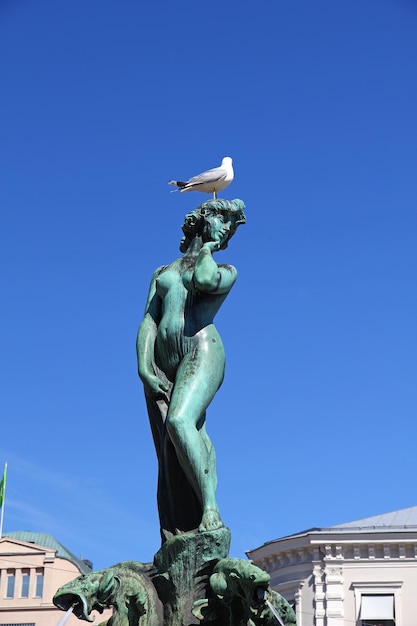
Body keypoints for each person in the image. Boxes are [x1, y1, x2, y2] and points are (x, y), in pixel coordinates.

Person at [136, 199, 246, 541]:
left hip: (202, 350)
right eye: (222, 220)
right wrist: (143, 366)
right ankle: (184, 520)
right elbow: (149, 321)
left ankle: (210, 507)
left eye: (231, 226)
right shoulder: (162, 272)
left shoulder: (225, 270)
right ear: (203, 219)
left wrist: (209, 250)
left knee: (181, 421)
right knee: (174, 446)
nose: (227, 229)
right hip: (164, 363)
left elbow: (203, 279)